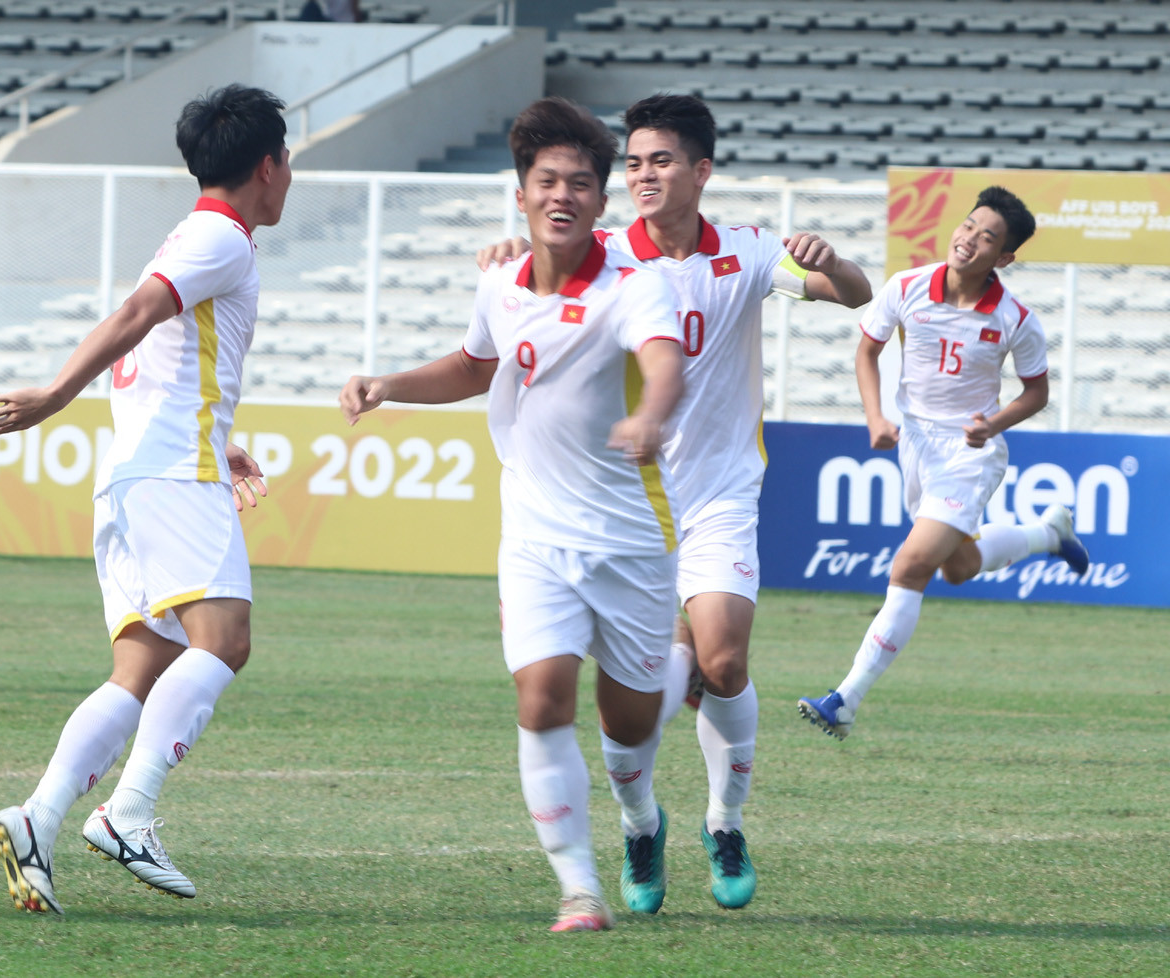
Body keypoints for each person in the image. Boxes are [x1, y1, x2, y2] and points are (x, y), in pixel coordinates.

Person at [478, 93, 872, 909]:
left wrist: (831, 261)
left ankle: (724, 820)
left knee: (723, 661)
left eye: (660, 161)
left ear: (701, 170)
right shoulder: (606, 255)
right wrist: (517, 252)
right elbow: (525, 295)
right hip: (624, 505)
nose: (643, 175)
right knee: (638, 695)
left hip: (720, 492)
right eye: (632, 163)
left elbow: (856, 295)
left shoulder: (751, 253)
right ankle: (638, 823)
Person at [340, 96, 686, 933]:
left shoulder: (633, 289)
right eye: (546, 180)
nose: (561, 194)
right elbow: (472, 366)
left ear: (601, 203)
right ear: (522, 193)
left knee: (629, 727)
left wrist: (650, 417)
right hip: (535, 536)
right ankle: (580, 889)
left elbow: (664, 362)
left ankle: (678, 699)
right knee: (542, 699)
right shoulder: (499, 281)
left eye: (578, 183)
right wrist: (390, 384)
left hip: (631, 542)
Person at [0, 84, 290, 914]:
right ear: (268, 164)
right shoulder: (223, 239)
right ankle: (130, 813)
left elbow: (162, 352)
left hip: (137, 473)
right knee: (224, 642)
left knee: (142, 666)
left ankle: (38, 817)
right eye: (288, 163)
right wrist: (53, 394)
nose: (290, 177)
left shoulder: (194, 236)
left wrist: (216, 437)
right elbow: (137, 313)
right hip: (168, 479)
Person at [797, 186, 1090, 741]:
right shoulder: (906, 287)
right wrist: (875, 417)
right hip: (915, 446)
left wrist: (993, 424)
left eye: (988, 238)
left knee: (909, 567)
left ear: (1004, 258)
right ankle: (1049, 534)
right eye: (968, 226)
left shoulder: (1015, 319)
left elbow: (1036, 393)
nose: (970, 240)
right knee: (958, 567)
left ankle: (845, 699)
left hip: (969, 454)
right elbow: (866, 351)